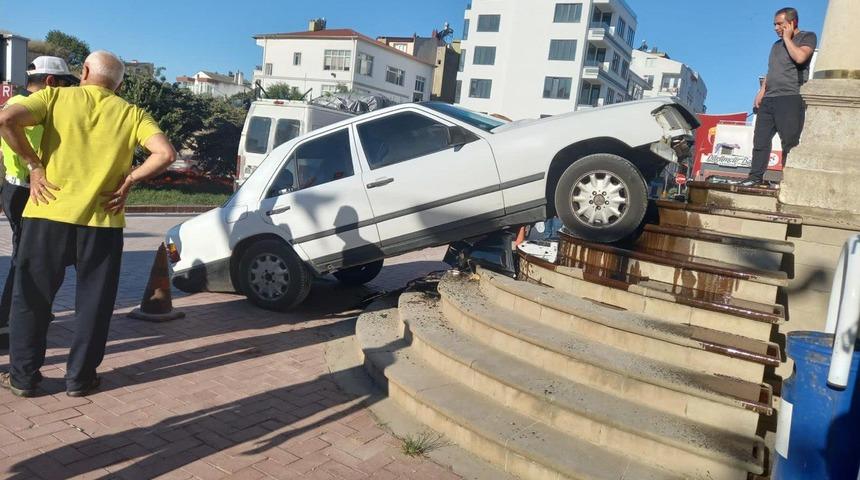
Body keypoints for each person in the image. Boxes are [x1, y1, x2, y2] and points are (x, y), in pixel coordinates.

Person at [0, 51, 176, 397]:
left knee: (32, 298)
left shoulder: (53, 96)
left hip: (47, 213)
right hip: (102, 222)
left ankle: (23, 377)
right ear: (119, 84)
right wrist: (130, 180)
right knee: (94, 303)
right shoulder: (131, 113)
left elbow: (6, 120)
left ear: (83, 71)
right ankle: (80, 379)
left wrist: (34, 165)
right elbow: (165, 154)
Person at [0, 57, 78, 350]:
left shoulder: (16, 103)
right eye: (65, 84)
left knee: (26, 255)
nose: (68, 91)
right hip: (25, 192)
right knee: (26, 259)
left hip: (13, 188)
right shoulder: (32, 110)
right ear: (50, 83)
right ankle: (10, 320)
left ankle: (14, 315)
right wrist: (34, 164)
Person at [741, 7, 817, 187]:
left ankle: (789, 182)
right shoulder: (775, 45)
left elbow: (800, 57)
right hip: (769, 98)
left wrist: (787, 38)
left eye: (780, 24)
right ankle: (755, 177)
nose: (776, 28)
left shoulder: (807, 37)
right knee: (760, 140)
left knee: (789, 142)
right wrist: (761, 91)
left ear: (792, 23)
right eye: (774, 24)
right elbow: (772, 70)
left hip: (791, 97)